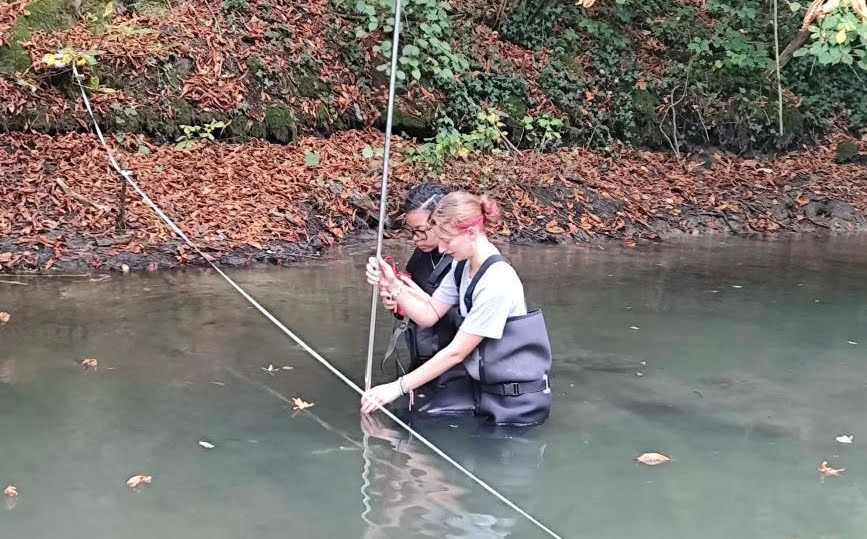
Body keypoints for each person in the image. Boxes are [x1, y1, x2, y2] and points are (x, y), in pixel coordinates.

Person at [363, 191, 553, 426]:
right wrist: (392, 284)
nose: (442, 248)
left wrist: (397, 387)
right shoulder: (461, 266)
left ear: (471, 233)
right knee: (414, 420)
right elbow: (429, 314)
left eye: (447, 240)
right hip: (482, 389)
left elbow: (456, 352)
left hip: (516, 403)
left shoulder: (497, 282)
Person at [381, 183, 475, 416]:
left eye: (421, 230)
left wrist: (415, 298)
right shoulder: (420, 257)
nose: (416, 239)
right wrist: (397, 303)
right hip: (423, 363)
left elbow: (466, 321)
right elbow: (417, 308)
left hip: (456, 370)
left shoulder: (464, 262)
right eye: (412, 231)